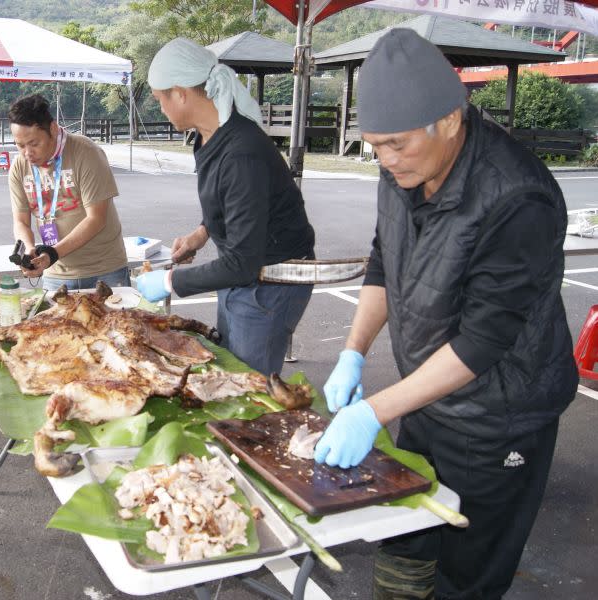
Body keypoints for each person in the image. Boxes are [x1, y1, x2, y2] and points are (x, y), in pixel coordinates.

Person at [313, 29, 577, 599]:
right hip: (428, 395)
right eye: (374, 146)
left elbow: (484, 341)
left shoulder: (516, 197)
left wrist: (373, 413)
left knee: (467, 565)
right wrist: (352, 353)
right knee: (405, 533)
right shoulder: (401, 171)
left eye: (397, 145)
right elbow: (386, 259)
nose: (384, 160)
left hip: (500, 413)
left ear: (452, 120)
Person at [136, 38, 316, 376]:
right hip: (244, 273)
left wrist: (171, 281)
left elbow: (242, 264)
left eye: (161, 99)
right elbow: (232, 203)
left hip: (270, 282)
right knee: (230, 369)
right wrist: (202, 233)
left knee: (248, 388)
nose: (160, 108)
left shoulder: (241, 152)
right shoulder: (208, 137)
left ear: (180, 93)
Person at [6, 94, 128, 291]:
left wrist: (53, 253)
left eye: (34, 144)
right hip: (56, 275)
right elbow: (20, 221)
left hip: (104, 270)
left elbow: (96, 219)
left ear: (53, 129)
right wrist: (30, 251)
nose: (27, 153)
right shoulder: (19, 167)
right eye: (20, 145)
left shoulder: (86, 153)